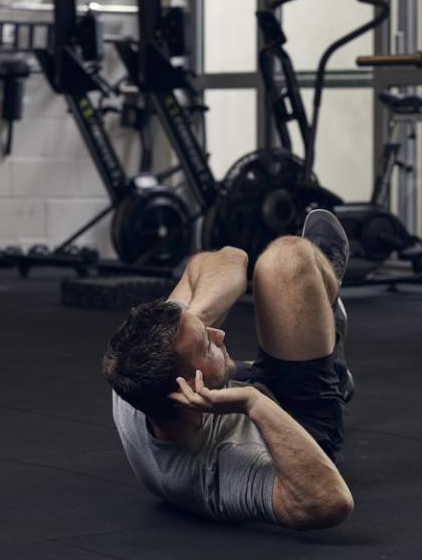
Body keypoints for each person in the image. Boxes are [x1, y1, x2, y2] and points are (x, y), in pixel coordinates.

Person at [102, 210, 354, 531]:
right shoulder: (214, 473)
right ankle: (328, 359)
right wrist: (253, 403)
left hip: (238, 387)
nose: (219, 334)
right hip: (297, 420)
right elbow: (328, 502)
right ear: (186, 391)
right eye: (207, 345)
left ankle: (319, 320)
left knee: (282, 256)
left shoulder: (131, 368)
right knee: (297, 260)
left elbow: (230, 258)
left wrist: (195, 319)